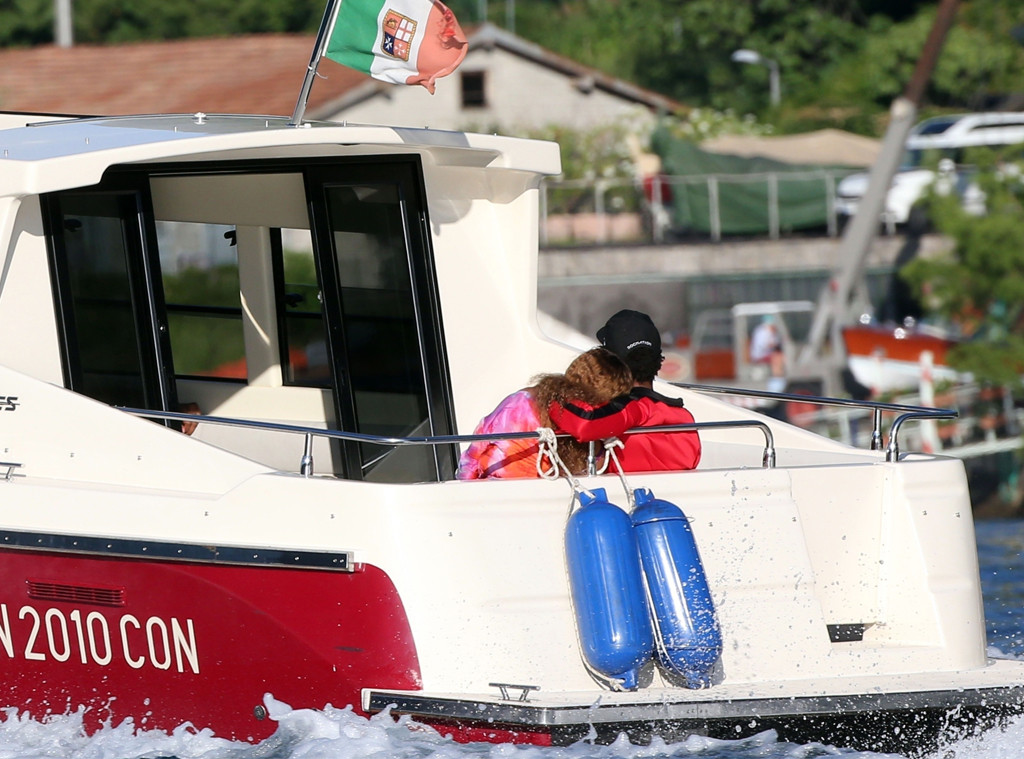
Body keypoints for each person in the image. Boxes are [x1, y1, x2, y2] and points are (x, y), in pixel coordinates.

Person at [549, 309, 701, 472]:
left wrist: (552, 395)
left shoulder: (631, 410)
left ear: (610, 364)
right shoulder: (682, 417)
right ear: (659, 358)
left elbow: (584, 424)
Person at [457, 347, 634, 479]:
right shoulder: (523, 404)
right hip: (502, 496)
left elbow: (475, 449)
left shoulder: (523, 400)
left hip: (524, 500)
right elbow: (477, 450)